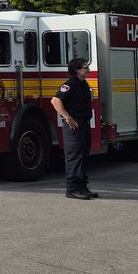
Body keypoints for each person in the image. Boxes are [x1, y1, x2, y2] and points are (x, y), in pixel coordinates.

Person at [51, 57, 97, 200]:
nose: (88, 69)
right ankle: (72, 189)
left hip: (84, 124)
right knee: (74, 158)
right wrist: (67, 117)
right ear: (77, 70)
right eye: (85, 67)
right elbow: (55, 101)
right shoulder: (69, 85)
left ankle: (82, 187)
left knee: (83, 155)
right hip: (74, 126)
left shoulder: (84, 84)